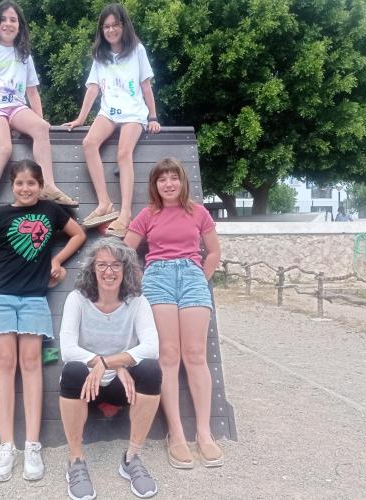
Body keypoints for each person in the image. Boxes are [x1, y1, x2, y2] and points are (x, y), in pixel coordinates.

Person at [0, 159, 85, 482]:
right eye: (19, 183)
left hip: (34, 298)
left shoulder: (51, 210)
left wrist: (57, 259)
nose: (25, 188)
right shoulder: (1, 214)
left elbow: (78, 235)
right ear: (12, 186)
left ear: (41, 185)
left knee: (32, 365)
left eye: (31, 183)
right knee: (5, 364)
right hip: (0, 297)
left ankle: (32, 445)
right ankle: (6, 447)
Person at [124, 157, 223, 470]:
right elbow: (126, 251)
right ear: (155, 184)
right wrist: (142, 279)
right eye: (162, 179)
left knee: (195, 354)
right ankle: (176, 433)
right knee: (168, 355)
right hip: (158, 279)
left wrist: (201, 278)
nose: (168, 183)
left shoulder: (199, 212)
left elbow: (214, 251)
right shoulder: (148, 214)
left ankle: (204, 432)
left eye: (173, 177)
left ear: (182, 181)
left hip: (192, 277)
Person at [59, 238, 162, 499]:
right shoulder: (77, 299)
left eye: (116, 265)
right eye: (102, 265)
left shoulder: (137, 301)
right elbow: (67, 349)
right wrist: (107, 363)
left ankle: (132, 457)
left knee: (151, 369)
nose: (109, 271)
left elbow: (152, 348)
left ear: (125, 269)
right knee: (72, 370)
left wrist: (110, 364)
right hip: (87, 385)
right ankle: (75, 460)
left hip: (122, 388)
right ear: (92, 269)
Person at [0, 0, 78, 226]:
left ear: (20, 25)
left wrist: (38, 119)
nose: (8, 24)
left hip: (15, 106)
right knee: (4, 148)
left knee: (42, 128)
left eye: (13, 20)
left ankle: (48, 186)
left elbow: (32, 91)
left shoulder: (23, 54)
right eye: (3, 19)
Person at [63, 3, 160, 237]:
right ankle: (104, 203)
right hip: (109, 111)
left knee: (123, 153)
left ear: (124, 26)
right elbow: (93, 88)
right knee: (89, 143)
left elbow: (146, 85)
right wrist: (80, 118)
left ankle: (125, 213)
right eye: (106, 26)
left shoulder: (137, 50)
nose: (111, 30)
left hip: (133, 112)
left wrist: (153, 117)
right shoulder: (100, 55)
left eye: (115, 25)